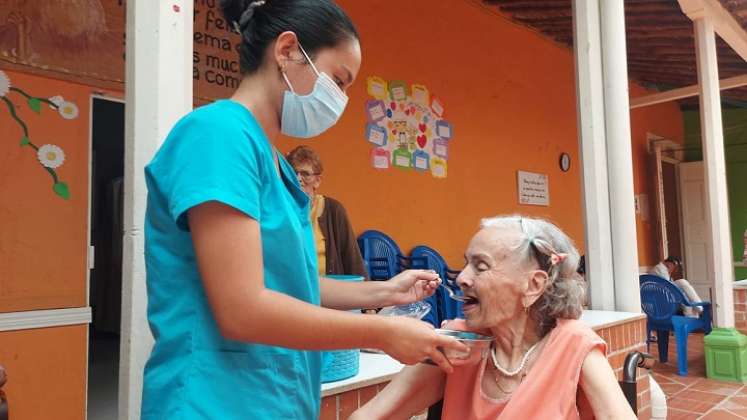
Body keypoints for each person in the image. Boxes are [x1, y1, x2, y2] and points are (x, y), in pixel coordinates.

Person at [140, 1, 466, 418]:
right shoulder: (217, 136)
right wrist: (383, 332)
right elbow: (243, 308)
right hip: (214, 400)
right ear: (288, 50)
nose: (342, 101)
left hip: (277, 399)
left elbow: (291, 285)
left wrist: (384, 292)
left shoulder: (279, 166)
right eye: (338, 80)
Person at [352, 216, 636, 419]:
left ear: (533, 285)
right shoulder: (457, 342)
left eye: (481, 266)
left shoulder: (574, 345)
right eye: (465, 264)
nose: (462, 278)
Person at [286, 145, 367, 279]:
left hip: (329, 293)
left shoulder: (334, 210)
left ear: (317, 181)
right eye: (293, 173)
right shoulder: (281, 209)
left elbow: (352, 259)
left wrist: (366, 295)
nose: (298, 179)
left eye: (305, 174)